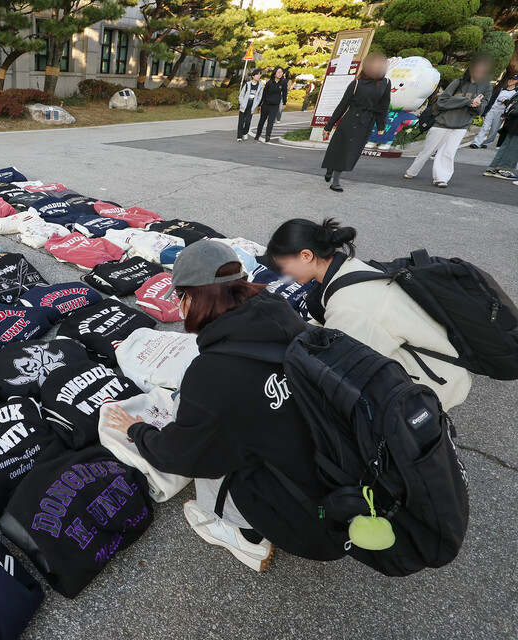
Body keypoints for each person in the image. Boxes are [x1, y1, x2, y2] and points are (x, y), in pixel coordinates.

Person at [102, 240, 346, 572]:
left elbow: (179, 456)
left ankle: (242, 533)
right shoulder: (280, 311)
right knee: (214, 419)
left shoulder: (212, 375)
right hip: (336, 467)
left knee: (206, 440)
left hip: (313, 516)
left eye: (179, 296)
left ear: (190, 297)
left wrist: (136, 429)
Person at [267, 218, 472, 409]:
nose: (283, 273)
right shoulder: (349, 268)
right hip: (434, 361)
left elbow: (342, 369)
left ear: (306, 256)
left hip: (434, 386)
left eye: (282, 265)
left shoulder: (349, 305)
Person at [404, 55, 493, 187]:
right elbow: (442, 101)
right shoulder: (458, 82)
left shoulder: (486, 87)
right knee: (428, 149)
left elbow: (482, 108)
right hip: (442, 122)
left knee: (449, 152)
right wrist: (467, 102)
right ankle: (412, 171)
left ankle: (441, 178)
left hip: (461, 125)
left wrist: (477, 105)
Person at [320, 52, 390, 192]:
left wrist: (381, 124)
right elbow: (343, 105)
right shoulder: (357, 83)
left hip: (367, 122)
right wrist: (329, 125)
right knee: (341, 148)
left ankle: (333, 170)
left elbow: (384, 105)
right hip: (351, 119)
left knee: (352, 151)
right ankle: (335, 180)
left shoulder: (386, 83)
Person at [471, 74, 518, 149]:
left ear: (516, 81)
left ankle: (487, 143)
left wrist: (506, 102)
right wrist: (484, 111)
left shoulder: (515, 92)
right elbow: (491, 100)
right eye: (510, 79)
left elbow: (513, 104)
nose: (510, 81)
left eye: (513, 80)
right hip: (492, 110)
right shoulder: (501, 90)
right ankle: (476, 143)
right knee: (484, 127)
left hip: (501, 113)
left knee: (494, 130)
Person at [483, 93, 518, 180]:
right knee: (514, 147)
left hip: (512, 121)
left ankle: (493, 167)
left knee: (506, 145)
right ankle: (504, 169)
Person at [255, 67, 288, 142]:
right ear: (275, 73)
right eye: (279, 72)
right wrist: (260, 104)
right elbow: (264, 94)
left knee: (271, 120)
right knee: (262, 120)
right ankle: (258, 134)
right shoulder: (269, 82)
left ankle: (268, 136)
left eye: (281, 72)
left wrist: (284, 103)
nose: (280, 74)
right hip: (266, 104)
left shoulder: (283, 82)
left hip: (275, 104)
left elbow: (284, 93)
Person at [237, 69, 264, 142]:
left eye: (260, 74)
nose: (258, 76)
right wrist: (242, 103)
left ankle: (245, 132)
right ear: (253, 76)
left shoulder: (260, 86)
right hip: (244, 106)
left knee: (248, 121)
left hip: (251, 107)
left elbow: (259, 97)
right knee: (241, 122)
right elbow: (241, 95)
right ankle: (239, 136)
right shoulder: (247, 84)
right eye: (257, 74)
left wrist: (255, 105)